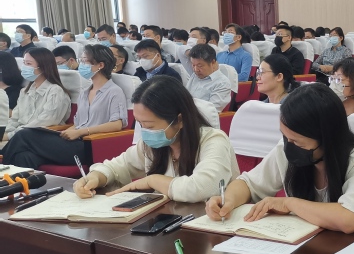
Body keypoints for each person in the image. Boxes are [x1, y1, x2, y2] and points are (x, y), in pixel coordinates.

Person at [206, 83, 354, 233]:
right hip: (309, 247)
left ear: (326, 138)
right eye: (285, 136)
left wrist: (289, 203)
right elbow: (249, 184)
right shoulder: (287, 146)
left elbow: (350, 219)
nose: (289, 145)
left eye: (298, 142)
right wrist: (228, 200)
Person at [74, 76, 239, 202]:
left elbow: (201, 188)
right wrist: (96, 177)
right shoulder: (152, 144)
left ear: (180, 120)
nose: (145, 132)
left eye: (149, 125)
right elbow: (117, 166)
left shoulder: (214, 140)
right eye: (140, 124)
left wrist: (152, 181)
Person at [2, 45, 127, 168]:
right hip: (75, 140)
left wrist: (80, 132)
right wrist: (65, 132)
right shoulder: (85, 92)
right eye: (81, 61)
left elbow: (117, 124)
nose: (81, 65)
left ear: (100, 65)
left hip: (91, 145)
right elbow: (78, 123)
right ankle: (14, 181)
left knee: (25, 134)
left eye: (85, 61)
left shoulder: (114, 91)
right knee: (24, 156)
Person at [4, 47, 70, 139]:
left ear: (43, 67)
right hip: (20, 136)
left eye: (28, 64)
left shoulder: (55, 91)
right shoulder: (25, 91)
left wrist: (10, 135)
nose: (24, 67)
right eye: (24, 63)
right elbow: (15, 118)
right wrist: (5, 132)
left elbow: (45, 122)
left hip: (40, 138)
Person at [186, 44, 232, 111]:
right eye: (193, 65)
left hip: (201, 116)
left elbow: (211, 110)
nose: (196, 69)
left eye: (200, 66)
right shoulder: (195, 75)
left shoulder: (222, 83)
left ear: (213, 62)